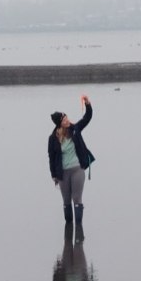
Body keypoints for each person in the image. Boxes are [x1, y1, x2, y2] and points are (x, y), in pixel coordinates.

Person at [47, 95, 94, 225]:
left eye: (66, 117)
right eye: (64, 120)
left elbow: (87, 118)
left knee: (77, 199)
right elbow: (51, 158)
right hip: (63, 173)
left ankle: (79, 229)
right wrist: (53, 175)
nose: (67, 120)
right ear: (59, 123)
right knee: (66, 201)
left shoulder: (75, 129)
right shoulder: (53, 138)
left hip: (77, 169)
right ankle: (68, 228)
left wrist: (88, 104)